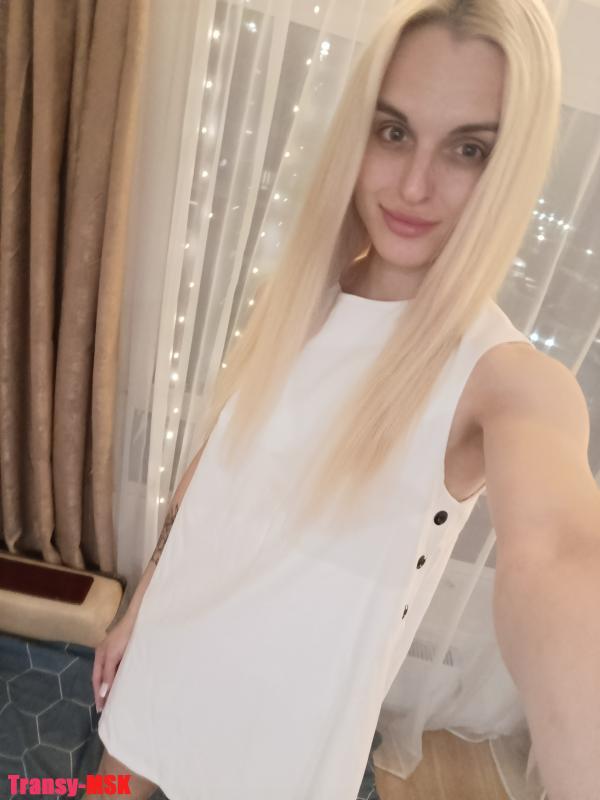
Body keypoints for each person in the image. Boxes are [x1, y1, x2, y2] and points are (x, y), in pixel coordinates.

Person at [87, 1, 570, 798]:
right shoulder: (303, 296)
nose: (414, 184)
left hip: (283, 738)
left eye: (469, 148)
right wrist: (141, 608)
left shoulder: (502, 378)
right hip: (172, 648)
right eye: (393, 131)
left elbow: (560, 557)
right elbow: (216, 472)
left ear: (511, 166)